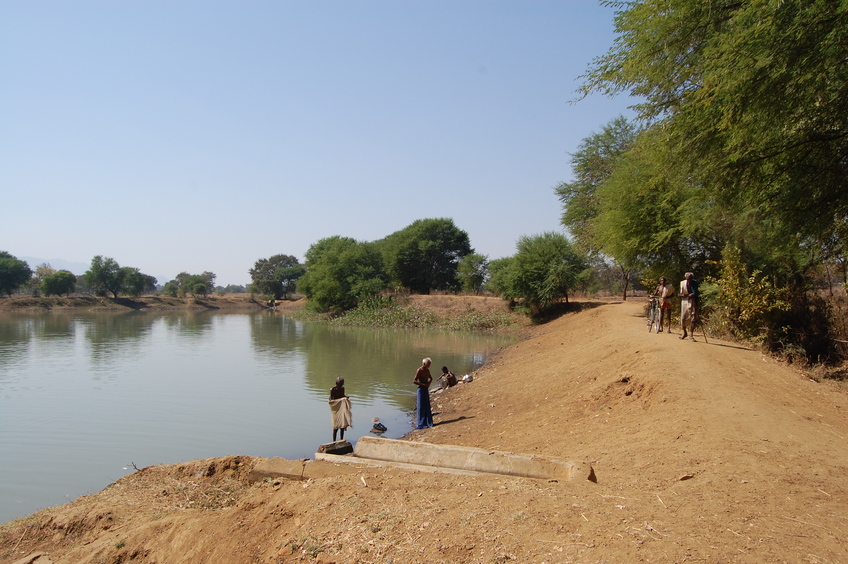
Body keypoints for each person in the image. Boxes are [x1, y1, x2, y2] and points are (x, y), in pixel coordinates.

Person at [328, 377, 352, 441]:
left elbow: (343, 395)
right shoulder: (332, 389)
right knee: (335, 426)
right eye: (339, 384)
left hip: (342, 408)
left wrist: (345, 398)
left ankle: (341, 439)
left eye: (341, 384)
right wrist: (339, 400)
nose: (340, 385)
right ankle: (334, 441)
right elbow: (331, 400)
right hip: (336, 409)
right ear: (336, 383)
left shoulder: (342, 389)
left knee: (342, 425)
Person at [413, 357, 434, 429]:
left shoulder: (427, 371)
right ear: (424, 364)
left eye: (429, 365)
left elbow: (431, 378)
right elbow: (414, 381)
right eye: (428, 365)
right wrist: (423, 384)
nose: (428, 366)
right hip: (420, 389)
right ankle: (420, 424)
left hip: (425, 388)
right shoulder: (419, 370)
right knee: (420, 405)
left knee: (426, 405)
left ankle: (427, 422)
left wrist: (428, 384)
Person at [679, 272, 699, 341]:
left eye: (690, 279)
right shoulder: (682, 283)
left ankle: (691, 335)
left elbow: (696, 293)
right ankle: (684, 332)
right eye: (688, 279)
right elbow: (680, 294)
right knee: (683, 318)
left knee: (693, 318)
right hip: (684, 301)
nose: (689, 280)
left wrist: (693, 294)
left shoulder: (695, 283)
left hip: (692, 301)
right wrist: (683, 295)